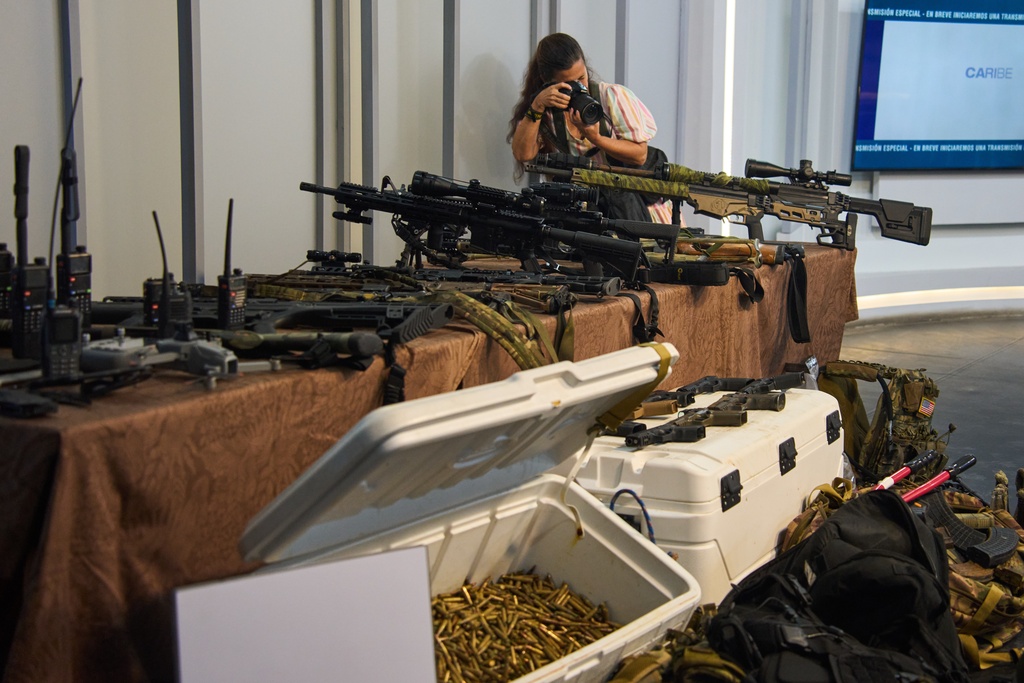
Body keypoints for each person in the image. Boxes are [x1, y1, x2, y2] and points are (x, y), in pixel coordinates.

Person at [507, 32, 674, 224]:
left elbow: (639, 155)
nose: (580, 87)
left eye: (582, 77)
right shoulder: (545, 113)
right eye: (570, 83)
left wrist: (597, 138)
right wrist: (536, 106)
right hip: (588, 218)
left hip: (640, 213)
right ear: (549, 82)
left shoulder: (611, 97)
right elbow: (523, 154)